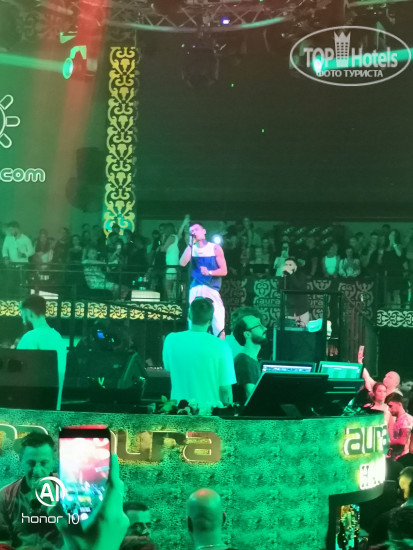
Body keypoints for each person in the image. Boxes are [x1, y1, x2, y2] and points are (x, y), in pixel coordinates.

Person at [162, 298, 236, 412]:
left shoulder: (171, 339)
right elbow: (225, 390)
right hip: (208, 413)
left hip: (178, 411)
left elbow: (168, 367)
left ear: (189, 316)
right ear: (210, 321)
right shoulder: (222, 346)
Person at [0, 432, 63, 549]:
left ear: (53, 461)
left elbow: (81, 537)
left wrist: (54, 503)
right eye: (31, 463)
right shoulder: (5, 495)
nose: (37, 471)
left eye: (43, 463)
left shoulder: (69, 489)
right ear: (21, 461)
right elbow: (3, 541)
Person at [17, 294, 67, 410]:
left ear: (28, 311)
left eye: (22, 311)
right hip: (53, 405)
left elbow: (17, 372)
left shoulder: (31, 337)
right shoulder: (57, 337)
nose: (21, 315)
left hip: (32, 405)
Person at [180, 222, 228, 338]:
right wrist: (190, 244)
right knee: (193, 319)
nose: (194, 232)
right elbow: (182, 263)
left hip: (211, 287)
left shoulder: (215, 248)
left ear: (204, 231)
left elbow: (224, 271)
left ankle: (219, 341)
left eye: (196, 229)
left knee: (217, 319)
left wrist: (209, 272)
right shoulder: (192, 249)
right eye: (191, 231)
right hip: (196, 287)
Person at [368, 469, 413, 548]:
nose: (399, 492)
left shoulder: (386, 518)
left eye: (403, 490)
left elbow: (372, 545)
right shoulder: (387, 518)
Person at [232, 313, 267, 404]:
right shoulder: (243, 361)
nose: (265, 328)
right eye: (258, 325)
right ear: (247, 334)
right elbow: (251, 395)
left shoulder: (251, 360)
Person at [282, 257, 310, 327]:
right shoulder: (286, 276)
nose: (287, 266)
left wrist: (291, 273)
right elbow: (280, 288)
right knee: (290, 329)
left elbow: (298, 286)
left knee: (303, 328)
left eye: (290, 265)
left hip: (302, 308)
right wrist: (282, 276)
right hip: (290, 308)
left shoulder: (301, 275)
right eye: (286, 264)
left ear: (295, 266)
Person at [386, 393, 413, 460]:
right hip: (395, 457)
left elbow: (403, 440)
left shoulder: (406, 419)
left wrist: (386, 443)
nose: (389, 409)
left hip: (402, 459)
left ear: (399, 404)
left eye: (390, 406)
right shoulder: (397, 419)